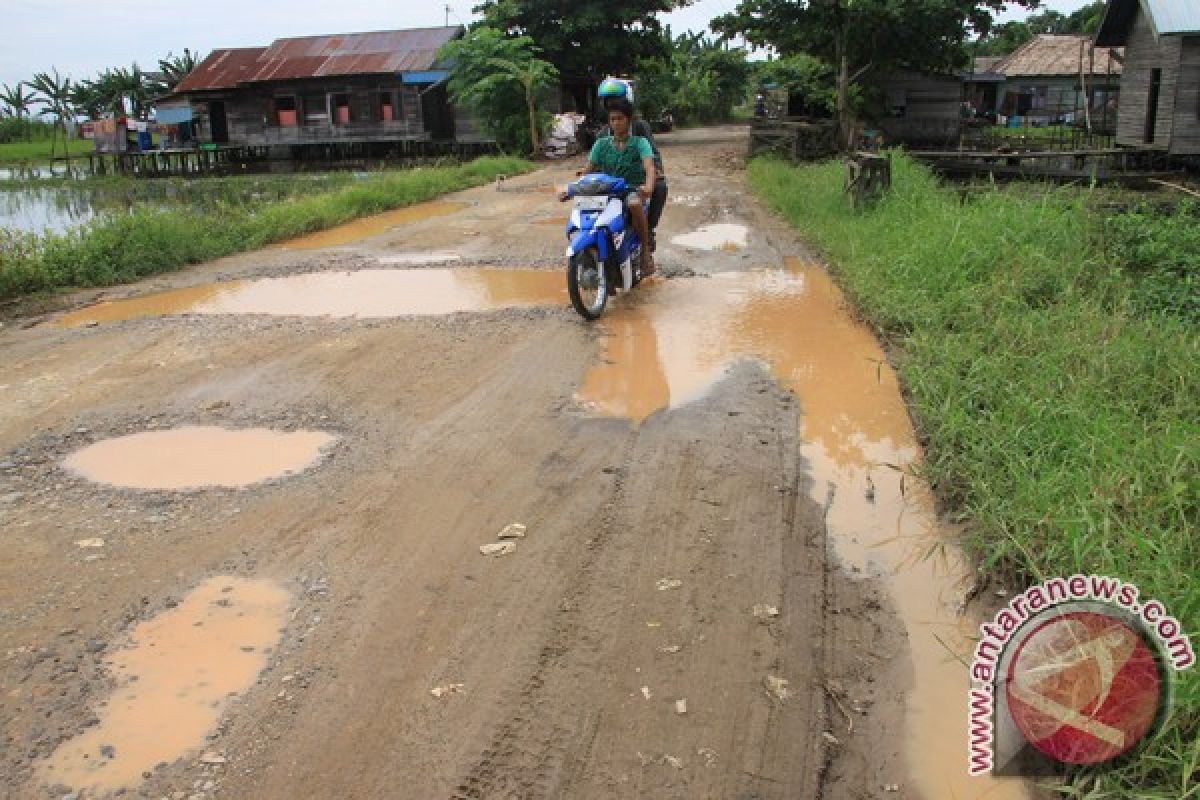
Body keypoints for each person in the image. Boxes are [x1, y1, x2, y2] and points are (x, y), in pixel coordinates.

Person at [566, 97, 658, 275]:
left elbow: (649, 167)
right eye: (612, 119)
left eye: (620, 118)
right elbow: (588, 170)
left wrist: (648, 186)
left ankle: (645, 253)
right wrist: (573, 189)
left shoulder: (640, 143)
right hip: (604, 191)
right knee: (583, 213)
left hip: (630, 190)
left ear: (628, 120)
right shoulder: (601, 144)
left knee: (634, 204)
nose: (615, 123)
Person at [595, 78, 668, 251]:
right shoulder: (603, 134)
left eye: (616, 101)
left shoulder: (641, 128)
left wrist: (655, 171)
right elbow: (594, 161)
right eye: (609, 103)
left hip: (636, 181)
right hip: (611, 182)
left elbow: (652, 155)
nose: (612, 105)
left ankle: (648, 230)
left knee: (660, 187)